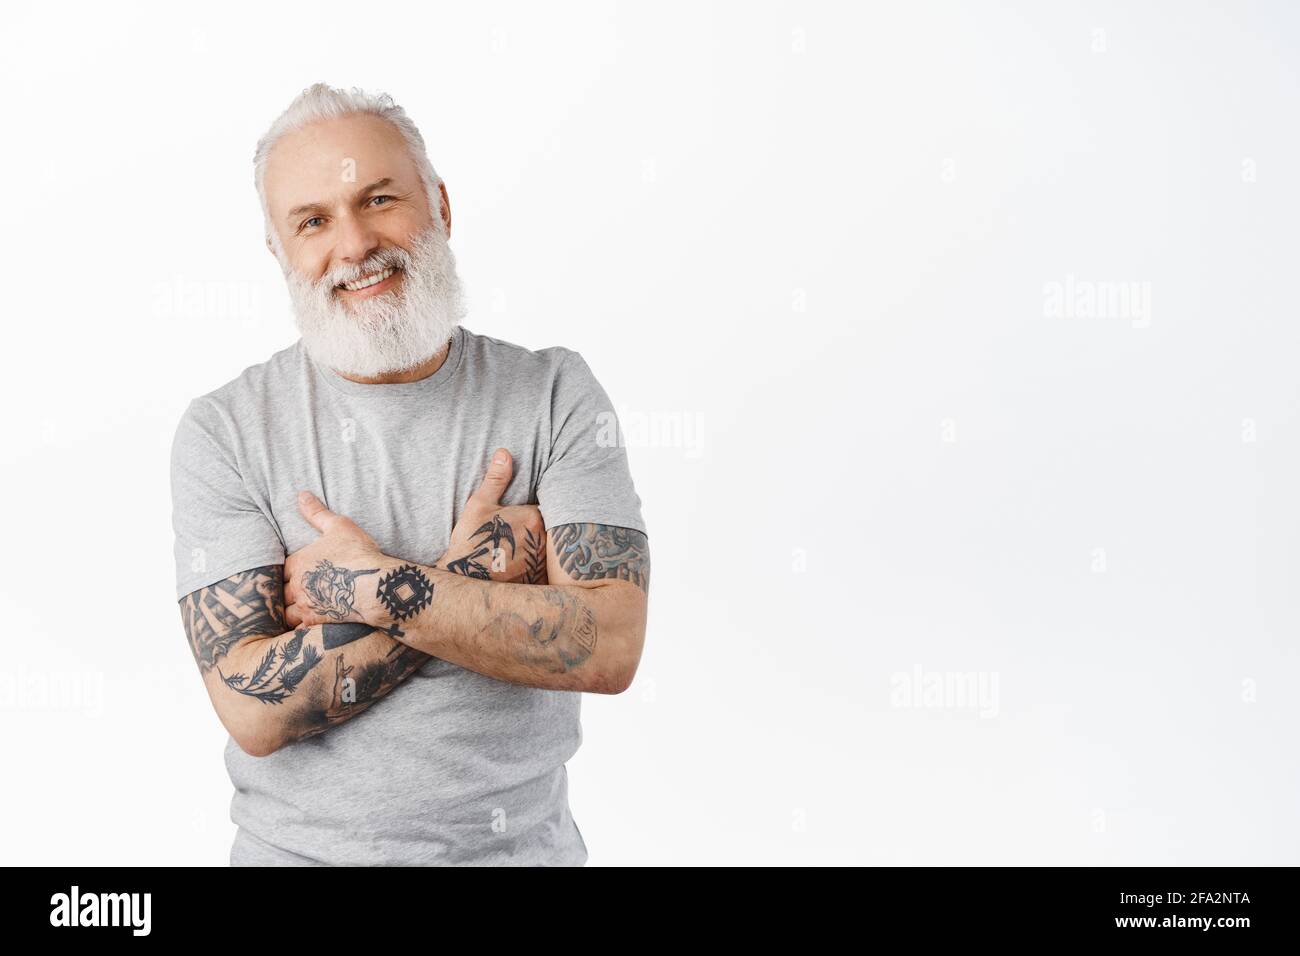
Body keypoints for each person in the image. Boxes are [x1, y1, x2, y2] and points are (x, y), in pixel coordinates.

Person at [169, 83, 650, 866]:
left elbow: (612, 645)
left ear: (442, 206)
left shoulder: (554, 392)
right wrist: (470, 576)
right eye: (314, 220)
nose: (355, 245)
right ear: (279, 251)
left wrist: (361, 587)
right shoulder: (224, 430)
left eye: (380, 199)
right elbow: (251, 713)